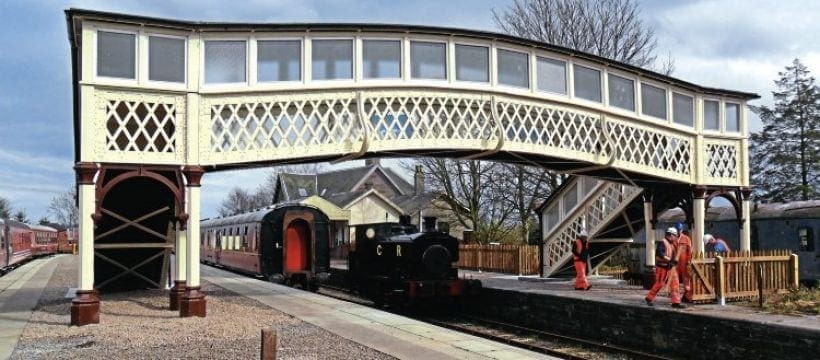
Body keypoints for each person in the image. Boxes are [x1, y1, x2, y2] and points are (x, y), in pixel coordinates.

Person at [645, 227, 684, 308]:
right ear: (670, 235)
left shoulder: (671, 244)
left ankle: (676, 302)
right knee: (659, 284)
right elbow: (659, 253)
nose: (675, 238)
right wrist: (670, 260)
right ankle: (649, 298)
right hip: (662, 268)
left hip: (670, 267)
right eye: (675, 236)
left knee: (675, 284)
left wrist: (674, 261)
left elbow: (672, 255)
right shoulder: (662, 242)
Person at [676, 226, 693, 303]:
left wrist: (688, 261)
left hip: (684, 262)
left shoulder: (686, 239)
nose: (678, 231)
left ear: (681, 230)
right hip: (676, 263)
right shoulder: (674, 238)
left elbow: (689, 251)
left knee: (686, 280)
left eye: (679, 230)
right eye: (677, 230)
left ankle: (687, 296)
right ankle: (676, 297)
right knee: (675, 280)